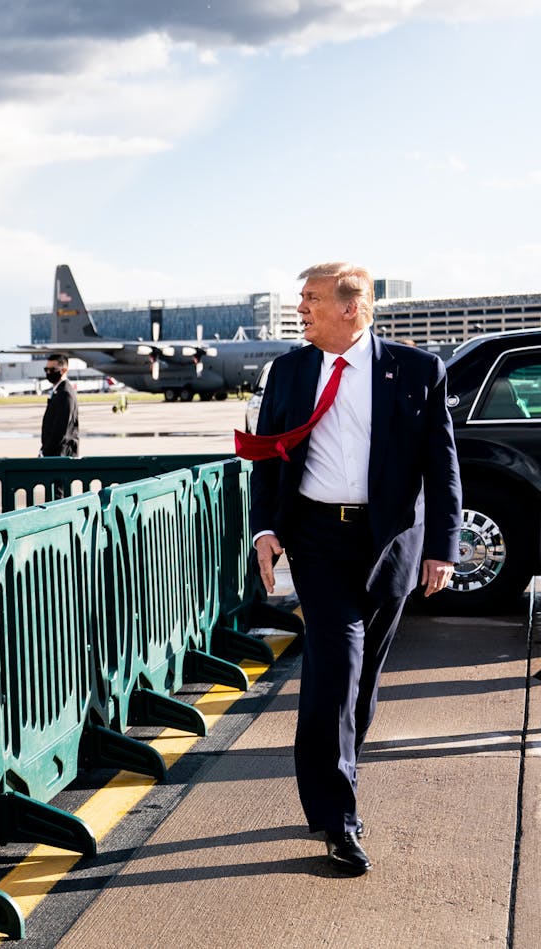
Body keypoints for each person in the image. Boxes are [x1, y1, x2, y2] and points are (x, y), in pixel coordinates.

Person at [240, 262, 461, 876]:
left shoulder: (417, 371)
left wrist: (442, 546)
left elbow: (441, 467)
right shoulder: (288, 370)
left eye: (310, 300)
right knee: (336, 664)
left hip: (388, 543)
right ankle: (339, 818)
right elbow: (266, 458)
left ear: (351, 307)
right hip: (315, 539)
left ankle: (331, 776)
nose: (300, 310)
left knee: (361, 686)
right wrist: (265, 530)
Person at [40, 354, 79, 457]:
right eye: (46, 370)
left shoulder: (65, 393)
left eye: (52, 370)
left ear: (64, 370)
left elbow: (60, 430)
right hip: (55, 452)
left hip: (61, 454)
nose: (48, 373)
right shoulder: (58, 391)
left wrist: (45, 452)